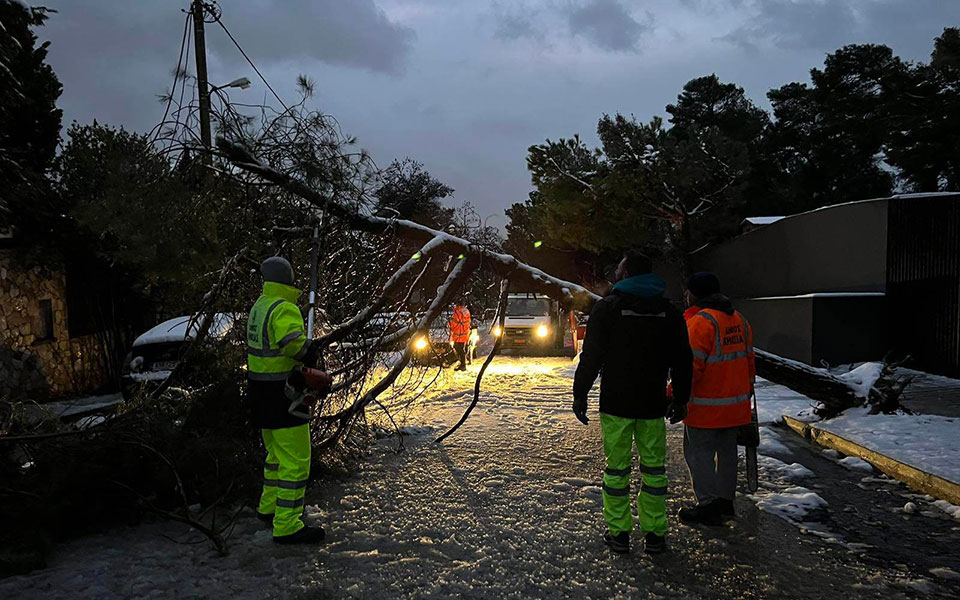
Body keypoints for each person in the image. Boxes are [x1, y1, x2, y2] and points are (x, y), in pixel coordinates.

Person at [573, 250, 693, 555]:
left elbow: (591, 357)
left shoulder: (608, 309)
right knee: (654, 472)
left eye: (619, 269)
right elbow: (682, 360)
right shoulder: (669, 311)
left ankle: (619, 534)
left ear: (626, 275)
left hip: (616, 404)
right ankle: (655, 535)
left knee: (616, 471)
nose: (615, 273)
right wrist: (681, 398)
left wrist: (580, 394)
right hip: (652, 404)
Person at [247, 256, 326, 544]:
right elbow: (292, 344)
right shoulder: (284, 308)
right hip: (284, 397)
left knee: (275, 458)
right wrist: (309, 349)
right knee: (296, 461)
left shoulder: (260, 307)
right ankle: (287, 524)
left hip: (260, 394)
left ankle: (268, 508)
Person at [678, 272, 755, 526]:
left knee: (698, 454)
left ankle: (708, 505)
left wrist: (674, 395)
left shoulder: (700, 323)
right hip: (735, 408)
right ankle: (725, 502)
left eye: (687, 291)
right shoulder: (739, 320)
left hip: (705, 408)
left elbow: (689, 369)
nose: (685, 296)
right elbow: (749, 365)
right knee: (727, 454)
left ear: (695, 294)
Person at [449, 304, 471, 371]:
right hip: (464, 334)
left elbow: (454, 323)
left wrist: (450, 325)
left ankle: (462, 364)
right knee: (461, 349)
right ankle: (462, 364)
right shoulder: (466, 311)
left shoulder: (457, 312)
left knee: (459, 349)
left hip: (458, 334)